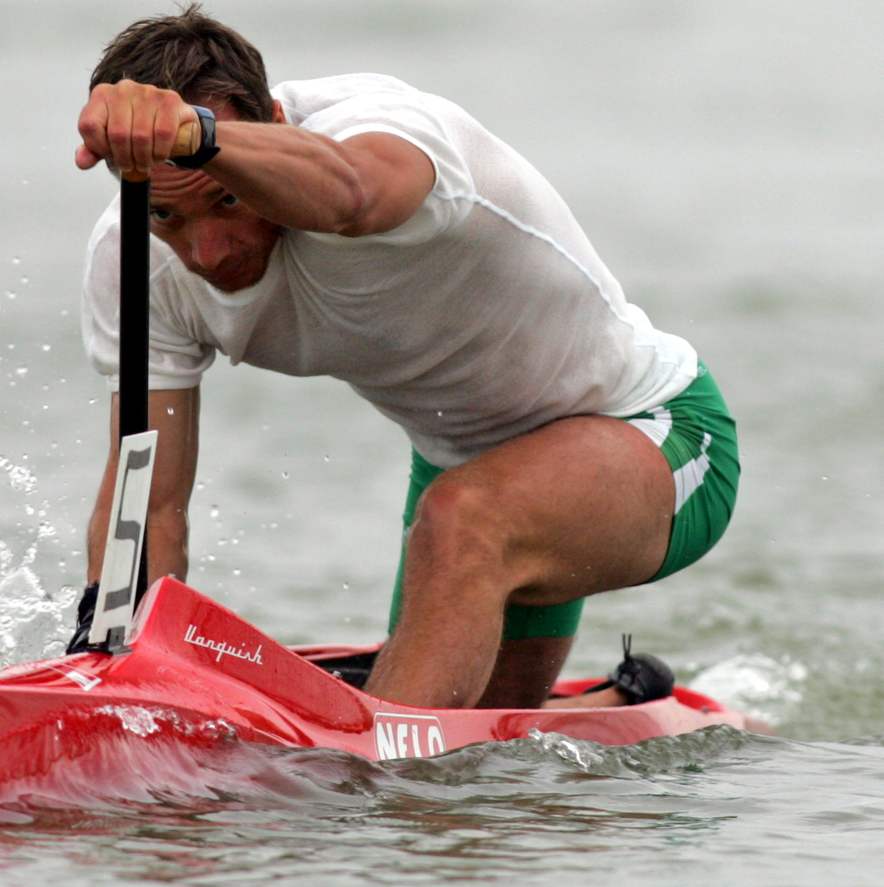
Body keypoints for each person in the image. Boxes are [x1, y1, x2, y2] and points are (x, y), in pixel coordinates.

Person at [69, 5, 739, 710]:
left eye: (226, 200)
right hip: (464, 474)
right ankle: (616, 705)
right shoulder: (131, 263)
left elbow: (352, 195)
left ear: (273, 123)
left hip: (656, 432)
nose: (207, 253)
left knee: (455, 544)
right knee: (488, 750)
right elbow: (153, 503)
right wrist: (119, 676)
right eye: (166, 217)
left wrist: (200, 136)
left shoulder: (389, 133)